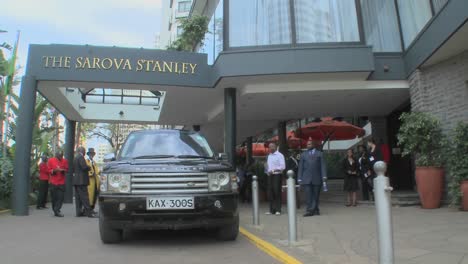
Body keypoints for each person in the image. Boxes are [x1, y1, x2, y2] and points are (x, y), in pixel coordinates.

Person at [298, 140, 327, 217]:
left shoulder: (320, 154)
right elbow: (300, 167)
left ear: (313, 145)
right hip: (306, 178)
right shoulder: (303, 154)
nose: (308, 145)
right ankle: (310, 210)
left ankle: (316, 209)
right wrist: (299, 178)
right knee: (308, 196)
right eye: (307, 144)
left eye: (309, 144)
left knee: (316, 195)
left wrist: (324, 176)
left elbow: (322, 166)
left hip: (317, 178)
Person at [73, 146, 96, 218]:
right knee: (85, 197)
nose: (85, 153)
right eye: (84, 151)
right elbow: (84, 167)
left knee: (78, 198)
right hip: (82, 180)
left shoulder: (75, 157)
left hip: (76, 180)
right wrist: (89, 167)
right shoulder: (80, 157)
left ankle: (78, 212)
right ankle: (89, 213)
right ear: (82, 151)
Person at [266, 143, 285, 215]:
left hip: (277, 175)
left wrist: (274, 170)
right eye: (269, 147)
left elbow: (282, 167)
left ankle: (278, 210)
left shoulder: (280, 155)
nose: (270, 148)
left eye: (272, 147)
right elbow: (268, 166)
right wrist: (267, 171)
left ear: (276, 147)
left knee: (276, 191)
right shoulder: (269, 156)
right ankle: (271, 210)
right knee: (270, 192)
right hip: (270, 175)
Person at [47, 150, 68, 217]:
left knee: (61, 197)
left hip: (61, 182)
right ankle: (55, 210)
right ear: (56, 155)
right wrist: (54, 170)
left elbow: (67, 169)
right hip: (53, 182)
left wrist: (63, 170)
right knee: (54, 198)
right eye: (59, 156)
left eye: (61, 156)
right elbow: (48, 170)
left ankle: (57, 210)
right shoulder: (51, 160)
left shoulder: (65, 161)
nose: (60, 157)